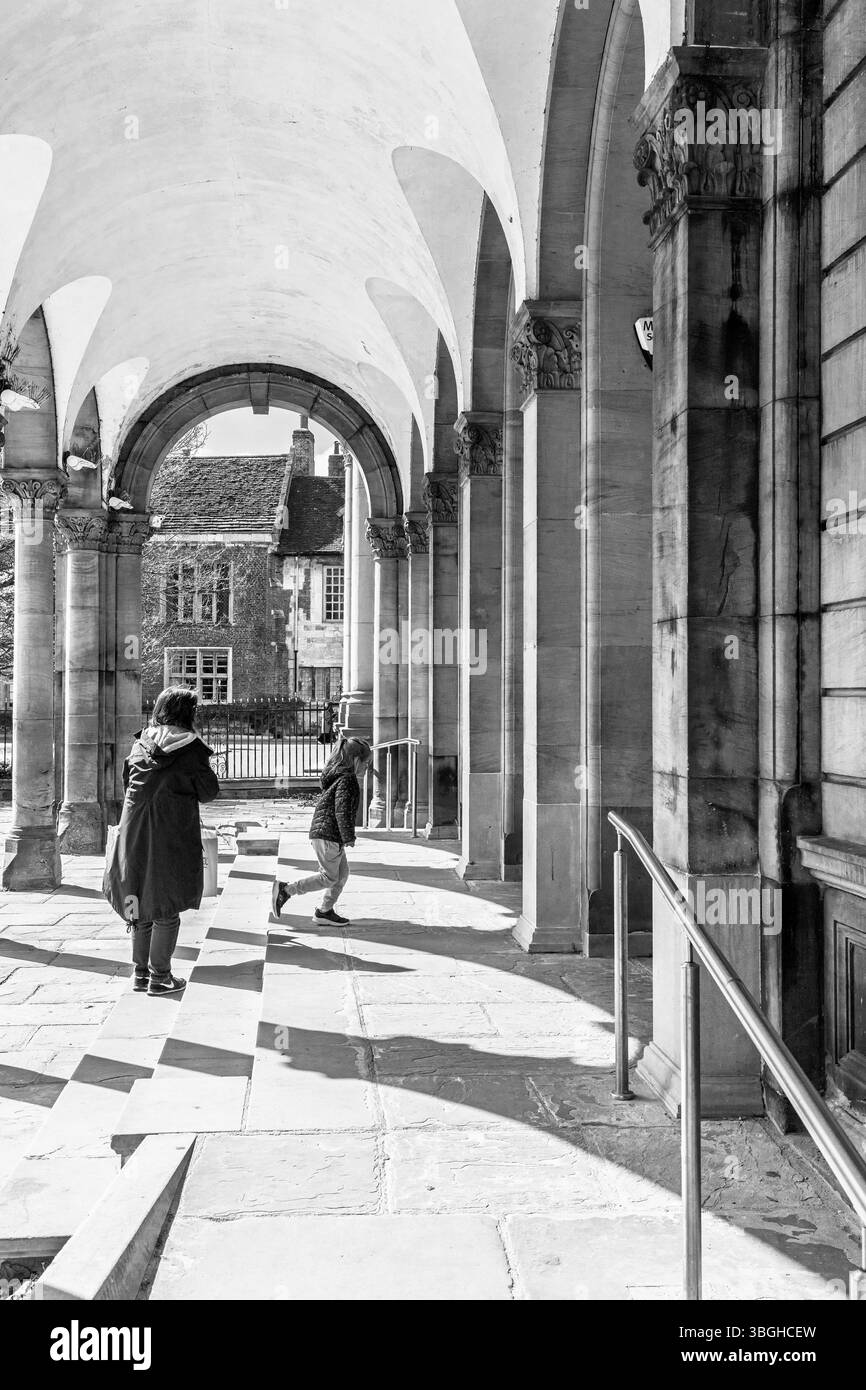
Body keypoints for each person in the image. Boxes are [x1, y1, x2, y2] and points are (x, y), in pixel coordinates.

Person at [104, 685, 220, 996]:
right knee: (167, 905)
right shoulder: (192, 749)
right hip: (171, 833)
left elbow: (127, 780)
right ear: (187, 714)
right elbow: (209, 792)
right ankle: (161, 977)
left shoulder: (140, 743)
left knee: (139, 901)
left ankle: (140, 974)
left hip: (135, 830)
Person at [272, 734, 372, 925]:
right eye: (366, 763)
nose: (367, 768)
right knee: (329, 877)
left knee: (341, 875)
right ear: (356, 761)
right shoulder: (348, 780)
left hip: (328, 835)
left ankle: (324, 911)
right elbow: (342, 810)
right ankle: (286, 891)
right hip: (328, 836)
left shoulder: (339, 777)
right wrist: (348, 836)